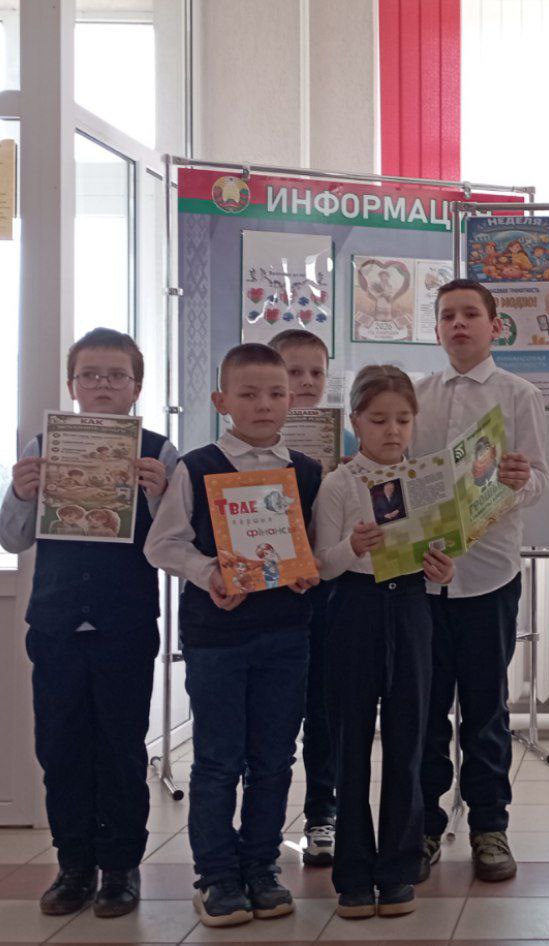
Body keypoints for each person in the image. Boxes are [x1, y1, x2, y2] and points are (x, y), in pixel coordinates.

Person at [0, 328, 177, 919]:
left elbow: (174, 546)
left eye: (116, 376)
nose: (103, 385)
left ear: (136, 386)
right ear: (72, 384)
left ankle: (120, 867)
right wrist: (20, 492)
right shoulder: (42, 445)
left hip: (125, 626)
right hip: (55, 626)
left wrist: (158, 498)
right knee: (60, 749)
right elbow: (12, 538)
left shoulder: (160, 453)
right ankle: (73, 865)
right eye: (91, 375)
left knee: (121, 750)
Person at [145, 343, 323, 927]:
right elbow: (162, 545)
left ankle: (261, 868)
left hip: (286, 635)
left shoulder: (307, 471)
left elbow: (314, 546)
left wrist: (309, 572)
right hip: (217, 638)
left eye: (275, 393)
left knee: (274, 758)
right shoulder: (197, 467)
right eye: (248, 394)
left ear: (291, 400)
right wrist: (210, 573)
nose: (263, 404)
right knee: (219, 759)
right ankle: (217, 877)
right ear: (221, 401)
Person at [414, 279, 549, 883]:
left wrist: (520, 480)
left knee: (485, 709)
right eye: (448, 316)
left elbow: (540, 479)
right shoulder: (417, 396)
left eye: (471, 314)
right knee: (424, 710)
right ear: (437, 329)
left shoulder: (519, 395)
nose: (458, 324)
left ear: (495, 326)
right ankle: (423, 825)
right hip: (422, 576)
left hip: (490, 574)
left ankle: (490, 827)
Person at [313, 365, 455, 918]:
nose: (392, 431)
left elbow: (442, 554)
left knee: (408, 741)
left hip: (412, 607)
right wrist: (352, 546)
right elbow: (322, 566)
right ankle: (353, 873)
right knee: (350, 744)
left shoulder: (426, 479)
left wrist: (442, 570)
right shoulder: (339, 483)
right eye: (378, 420)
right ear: (355, 422)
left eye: (402, 419)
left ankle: (398, 868)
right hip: (353, 610)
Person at [267, 329, 350, 867]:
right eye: (293, 372)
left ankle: (323, 814)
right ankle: (263, 825)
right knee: (273, 717)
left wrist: (347, 476)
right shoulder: (244, 446)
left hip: (329, 596)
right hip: (269, 598)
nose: (306, 383)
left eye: (316, 372)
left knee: (324, 712)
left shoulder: (347, 444)